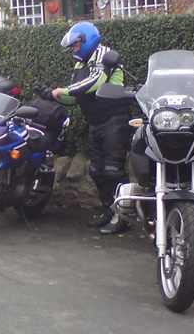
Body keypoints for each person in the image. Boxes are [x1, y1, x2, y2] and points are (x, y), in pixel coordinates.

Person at [50, 22, 131, 235]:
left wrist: (64, 90)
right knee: (96, 170)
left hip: (114, 120)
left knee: (113, 171)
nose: (75, 50)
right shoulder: (80, 63)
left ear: (86, 40)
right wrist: (51, 95)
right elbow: (76, 97)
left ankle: (123, 216)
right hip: (95, 122)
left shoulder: (105, 55)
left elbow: (95, 81)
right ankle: (109, 211)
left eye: (76, 45)